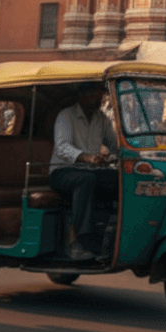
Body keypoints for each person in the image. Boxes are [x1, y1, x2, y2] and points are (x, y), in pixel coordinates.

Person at [49, 82, 119, 261]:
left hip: (90, 171)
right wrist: (86, 157)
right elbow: (62, 147)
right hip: (63, 171)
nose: (99, 99)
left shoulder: (102, 119)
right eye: (95, 94)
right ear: (82, 96)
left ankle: (111, 232)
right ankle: (80, 241)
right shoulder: (66, 116)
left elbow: (113, 144)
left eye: (101, 95)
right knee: (85, 180)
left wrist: (133, 153)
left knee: (119, 179)